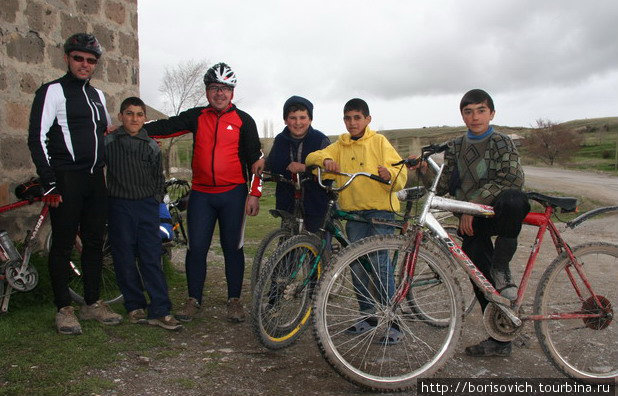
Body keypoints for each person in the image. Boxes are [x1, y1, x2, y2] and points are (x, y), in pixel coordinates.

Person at [411, 89, 529, 357]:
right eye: (468, 111)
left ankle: (502, 267)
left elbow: (512, 179)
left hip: (496, 214)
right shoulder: (455, 146)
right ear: (462, 115)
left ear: (492, 113)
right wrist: (421, 171)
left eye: (480, 110)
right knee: (479, 278)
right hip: (472, 222)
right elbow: (442, 187)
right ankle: (500, 337)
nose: (474, 117)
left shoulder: (502, 142)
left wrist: (472, 205)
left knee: (515, 199)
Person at [143, 62, 264, 323]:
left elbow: (257, 161)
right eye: (213, 88)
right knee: (196, 248)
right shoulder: (197, 116)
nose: (219, 93)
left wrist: (254, 194)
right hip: (201, 195)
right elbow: (167, 126)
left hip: (233, 194)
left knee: (233, 248)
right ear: (207, 91)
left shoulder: (244, 121)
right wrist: (136, 129)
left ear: (232, 92)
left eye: (224, 89)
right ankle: (193, 299)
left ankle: (234, 300)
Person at [27, 33, 122, 335]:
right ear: (67, 58)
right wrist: (49, 181)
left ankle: (92, 302)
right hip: (66, 178)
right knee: (64, 244)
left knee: (94, 242)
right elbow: (37, 138)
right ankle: (63, 308)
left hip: (95, 179)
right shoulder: (52, 91)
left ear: (96, 64)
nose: (84, 64)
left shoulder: (98, 96)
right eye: (78, 58)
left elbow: (104, 132)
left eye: (91, 60)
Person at [305, 98, 407, 344]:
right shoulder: (339, 145)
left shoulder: (379, 142)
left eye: (357, 118)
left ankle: (394, 321)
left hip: (379, 212)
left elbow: (401, 172)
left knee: (380, 263)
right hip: (353, 213)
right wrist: (324, 161)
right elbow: (311, 158)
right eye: (348, 118)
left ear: (367, 119)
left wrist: (390, 173)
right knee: (357, 265)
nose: (352, 123)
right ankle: (368, 315)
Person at [104, 97, 182, 331]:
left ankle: (160, 309)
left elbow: (159, 179)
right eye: (129, 114)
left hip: (146, 206)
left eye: (139, 114)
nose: (134, 118)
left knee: (150, 257)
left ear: (145, 118)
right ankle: (134, 305)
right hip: (119, 206)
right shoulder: (108, 143)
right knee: (124, 257)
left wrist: (156, 201)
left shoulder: (150, 146)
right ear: (120, 117)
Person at [265, 96, 331, 232]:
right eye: (293, 118)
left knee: (316, 246)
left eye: (302, 117)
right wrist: (263, 164)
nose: (298, 122)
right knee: (287, 246)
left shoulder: (320, 140)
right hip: (288, 204)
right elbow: (272, 165)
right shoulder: (280, 140)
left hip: (316, 204)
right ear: (285, 120)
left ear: (310, 119)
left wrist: (305, 168)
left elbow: (329, 173)